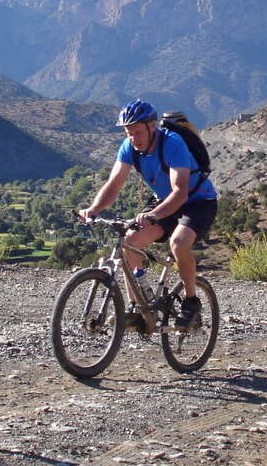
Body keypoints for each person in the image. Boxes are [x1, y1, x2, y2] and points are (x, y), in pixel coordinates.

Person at [78, 100, 219, 328]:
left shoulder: (172, 143)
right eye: (128, 133)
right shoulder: (129, 147)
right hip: (164, 202)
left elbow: (180, 192)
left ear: (152, 126)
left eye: (137, 132)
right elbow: (113, 185)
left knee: (179, 243)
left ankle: (191, 301)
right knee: (130, 241)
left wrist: (153, 215)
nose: (133, 138)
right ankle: (137, 308)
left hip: (197, 201)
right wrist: (93, 209)